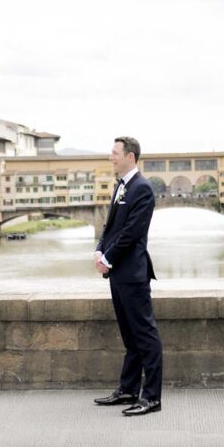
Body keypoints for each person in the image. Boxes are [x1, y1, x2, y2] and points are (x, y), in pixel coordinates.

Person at [93, 136, 163, 416]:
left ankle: (152, 398)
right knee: (130, 337)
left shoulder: (142, 189)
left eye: (114, 153)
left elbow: (132, 233)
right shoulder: (121, 186)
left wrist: (108, 258)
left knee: (145, 335)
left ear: (130, 156)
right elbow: (111, 226)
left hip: (132, 273)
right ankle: (128, 390)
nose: (111, 157)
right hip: (118, 274)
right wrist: (99, 250)